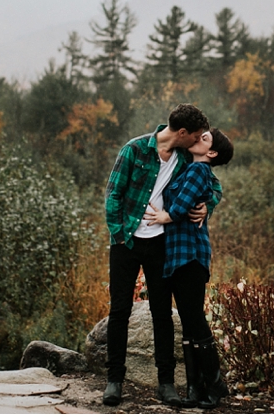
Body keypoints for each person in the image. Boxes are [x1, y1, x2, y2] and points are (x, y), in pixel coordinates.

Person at [102, 104, 221, 407]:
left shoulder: (183, 159)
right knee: (119, 311)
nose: (197, 141)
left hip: (160, 244)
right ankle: (114, 381)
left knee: (162, 313)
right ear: (182, 133)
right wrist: (119, 234)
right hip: (126, 242)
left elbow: (213, 184)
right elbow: (113, 193)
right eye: (194, 136)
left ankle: (165, 382)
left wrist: (210, 204)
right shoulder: (135, 150)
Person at [145, 127, 234, 409]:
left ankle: (216, 383)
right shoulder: (189, 166)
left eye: (204, 138)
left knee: (193, 317)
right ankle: (196, 388)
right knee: (188, 319)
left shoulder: (198, 171)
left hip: (190, 253)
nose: (198, 138)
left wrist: (164, 216)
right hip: (179, 254)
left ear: (212, 153)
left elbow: (182, 205)